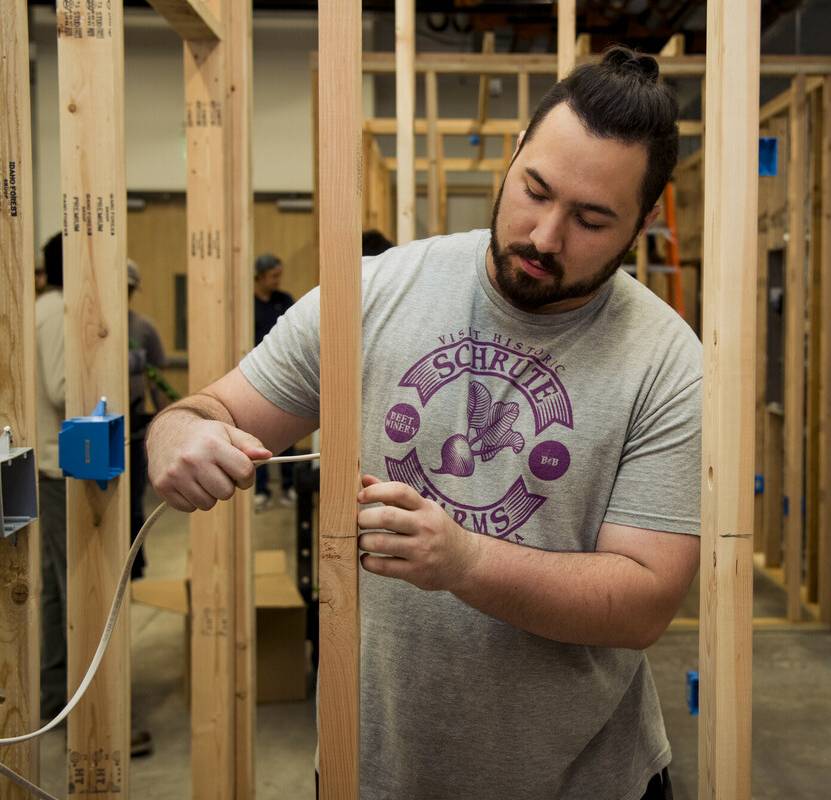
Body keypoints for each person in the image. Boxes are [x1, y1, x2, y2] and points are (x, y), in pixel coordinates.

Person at [147, 47, 700, 800]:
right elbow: (209, 410)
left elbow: (642, 603)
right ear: (512, 158)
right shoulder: (371, 294)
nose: (544, 237)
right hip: (370, 771)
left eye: (591, 219)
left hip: (583, 780)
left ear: (643, 221)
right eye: (534, 191)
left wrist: (464, 562)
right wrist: (178, 435)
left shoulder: (666, 361)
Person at [35, 233, 68, 722]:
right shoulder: (59, 310)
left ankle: (52, 694)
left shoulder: (41, 307)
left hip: (48, 463)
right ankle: (87, 708)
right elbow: (64, 388)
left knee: (54, 588)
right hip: (63, 466)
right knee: (78, 586)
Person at [127, 258, 170, 580]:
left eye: (129, 289)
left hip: (135, 424)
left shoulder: (143, 328)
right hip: (98, 429)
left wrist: (168, 424)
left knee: (133, 498)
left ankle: (134, 566)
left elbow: (157, 380)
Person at [252, 253, 296, 509]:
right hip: (259, 377)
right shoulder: (249, 304)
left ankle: (288, 486)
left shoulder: (285, 300)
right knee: (258, 437)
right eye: (273, 276)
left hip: (285, 375)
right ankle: (262, 489)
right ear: (259, 277)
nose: (277, 281)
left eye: (280, 276)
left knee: (287, 434)